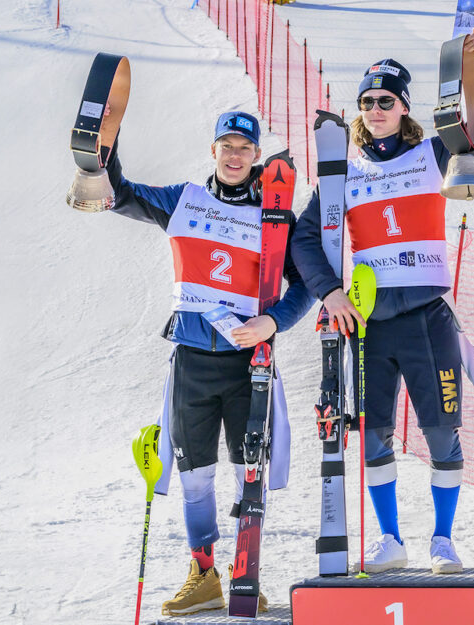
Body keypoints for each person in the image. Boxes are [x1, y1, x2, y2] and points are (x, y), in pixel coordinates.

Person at [291, 26, 474, 575]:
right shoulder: (343, 173)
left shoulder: (434, 154)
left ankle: (442, 539)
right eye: (366, 102)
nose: (375, 110)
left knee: (441, 432)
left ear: (404, 106)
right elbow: (303, 237)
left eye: (385, 101)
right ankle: (389, 539)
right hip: (370, 326)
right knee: (373, 431)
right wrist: (331, 292)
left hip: (426, 319)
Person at [103, 110, 313, 615]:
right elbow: (120, 193)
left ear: (257, 156)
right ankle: (203, 573)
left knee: (248, 473)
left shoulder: (272, 216)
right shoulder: (182, 201)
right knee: (194, 476)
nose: (235, 155)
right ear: (213, 151)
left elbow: (306, 285)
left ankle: (246, 571)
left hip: (249, 368)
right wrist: (103, 147)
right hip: (191, 363)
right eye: (227, 146)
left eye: (245, 147)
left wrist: (275, 321)